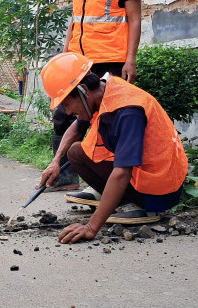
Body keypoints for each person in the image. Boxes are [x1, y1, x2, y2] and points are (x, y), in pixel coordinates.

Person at [39, 52, 187, 244]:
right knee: (75, 152)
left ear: (83, 90)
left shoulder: (128, 110)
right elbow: (76, 127)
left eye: (67, 104)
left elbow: (122, 173)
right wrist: (55, 161)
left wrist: (91, 227)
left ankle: (140, 206)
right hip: (143, 175)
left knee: (109, 169)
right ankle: (114, 198)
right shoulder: (102, 91)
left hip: (159, 188)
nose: (67, 112)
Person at [53, 0, 143, 204]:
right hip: (79, 61)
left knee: (106, 123)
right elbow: (74, 19)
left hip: (111, 59)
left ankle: (101, 182)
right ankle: (65, 173)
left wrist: (131, 60)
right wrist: (66, 52)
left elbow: (134, 19)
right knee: (65, 113)